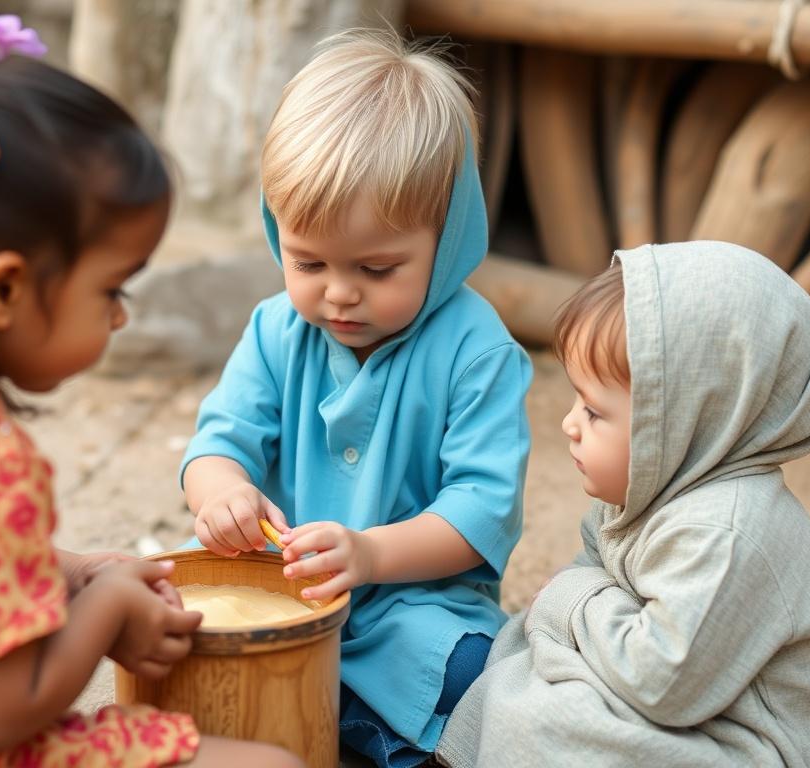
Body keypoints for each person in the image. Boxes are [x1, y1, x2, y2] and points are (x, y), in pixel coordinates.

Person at [0, 11, 301, 767]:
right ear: (4, 291)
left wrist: (73, 569)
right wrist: (104, 610)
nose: (121, 316)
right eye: (110, 290)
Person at [180, 29, 532, 767]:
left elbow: (480, 510)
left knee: (478, 672)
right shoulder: (278, 329)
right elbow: (220, 441)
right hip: (280, 584)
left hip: (409, 604)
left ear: (449, 237)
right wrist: (224, 496)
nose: (339, 293)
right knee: (162, 605)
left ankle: (325, 718)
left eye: (377, 267)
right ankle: (325, 717)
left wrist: (370, 555)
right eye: (308, 260)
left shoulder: (478, 351)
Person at [437, 241, 810, 767]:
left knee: (546, 722)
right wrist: (573, 605)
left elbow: (663, 681)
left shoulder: (729, 534)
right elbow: (594, 563)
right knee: (520, 665)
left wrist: (573, 600)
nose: (569, 424)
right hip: (696, 697)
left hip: (773, 738)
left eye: (595, 412)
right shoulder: (654, 490)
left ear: (685, 424)